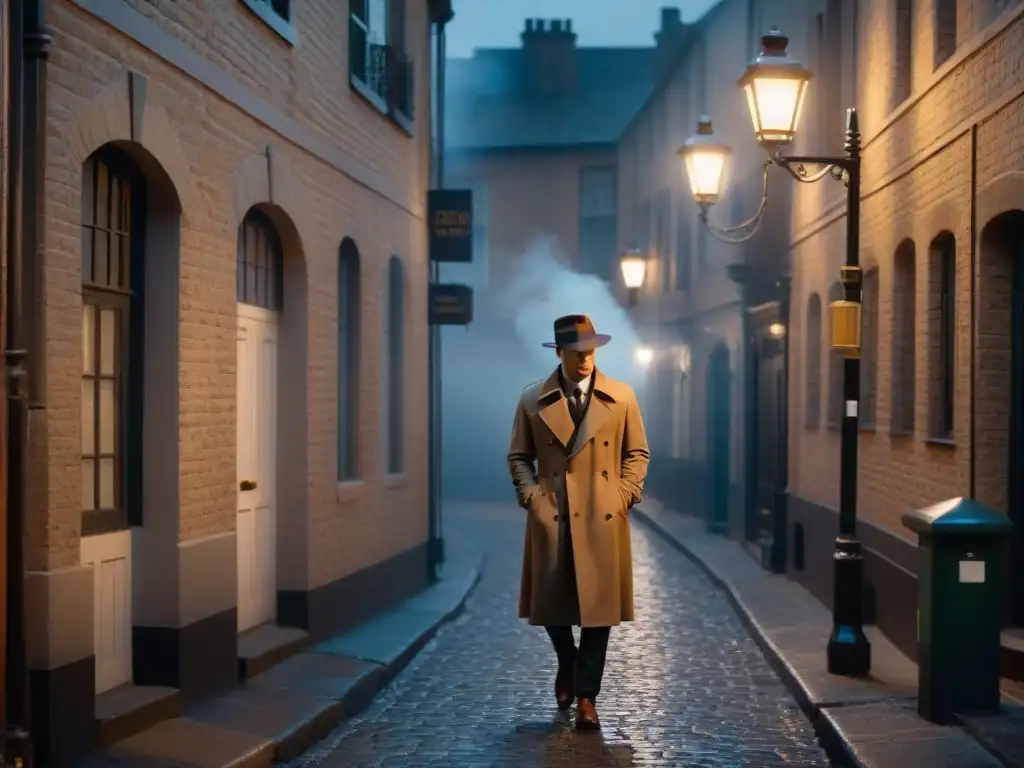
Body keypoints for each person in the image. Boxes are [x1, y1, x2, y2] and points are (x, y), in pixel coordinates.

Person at [507, 313, 650, 730]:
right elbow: (519, 456)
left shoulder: (621, 396)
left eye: (591, 351)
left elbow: (637, 453)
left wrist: (624, 495)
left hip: (601, 514)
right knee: (552, 605)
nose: (586, 359)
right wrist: (531, 496)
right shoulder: (533, 399)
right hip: (552, 511)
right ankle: (567, 661)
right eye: (577, 352)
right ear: (561, 353)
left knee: (597, 611)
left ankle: (588, 697)